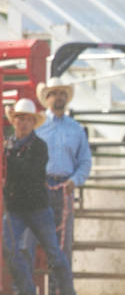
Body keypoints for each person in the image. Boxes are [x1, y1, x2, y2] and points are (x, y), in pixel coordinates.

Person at [21, 77, 92, 293]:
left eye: (62, 93)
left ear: (65, 98)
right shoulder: (37, 126)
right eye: (54, 94)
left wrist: (74, 180)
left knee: (61, 248)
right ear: (47, 98)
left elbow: (85, 161)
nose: (58, 97)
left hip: (64, 189)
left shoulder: (76, 129)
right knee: (27, 242)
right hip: (38, 189)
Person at [2, 98, 75, 295]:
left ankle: (68, 292)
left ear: (33, 122)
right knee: (8, 247)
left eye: (27, 119)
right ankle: (27, 291)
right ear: (14, 121)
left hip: (37, 209)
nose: (22, 123)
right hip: (17, 209)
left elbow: (27, 170)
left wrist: (8, 155)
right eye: (19, 118)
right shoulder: (8, 147)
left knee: (54, 253)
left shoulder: (38, 147)